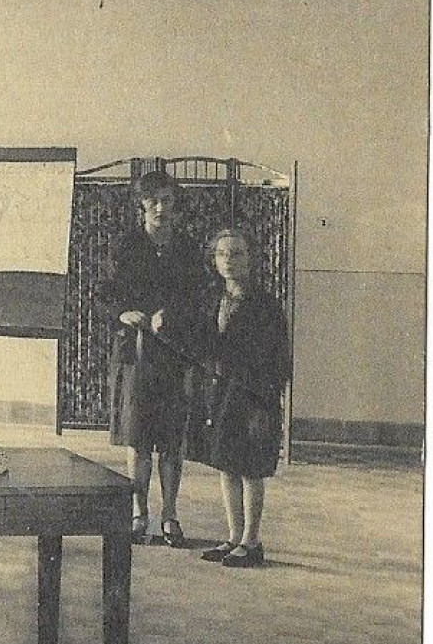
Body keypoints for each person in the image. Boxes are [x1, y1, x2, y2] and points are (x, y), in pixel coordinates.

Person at [96, 171, 205, 547]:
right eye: (153, 201)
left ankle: (170, 515)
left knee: (172, 441)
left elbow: (198, 297)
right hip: (135, 354)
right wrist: (125, 314)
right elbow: (104, 295)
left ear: (175, 206)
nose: (161, 208)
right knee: (139, 438)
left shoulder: (189, 249)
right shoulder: (125, 246)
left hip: (175, 354)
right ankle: (138, 512)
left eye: (168, 201)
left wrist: (170, 313)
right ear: (141, 204)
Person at [184, 229, 291, 569]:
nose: (229, 261)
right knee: (226, 464)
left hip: (253, 395)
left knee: (250, 468)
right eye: (222, 254)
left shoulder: (265, 305)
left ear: (251, 258)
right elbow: (204, 343)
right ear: (214, 260)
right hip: (222, 392)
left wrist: (264, 403)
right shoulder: (212, 299)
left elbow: (276, 361)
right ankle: (233, 536)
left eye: (238, 254)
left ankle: (252, 541)